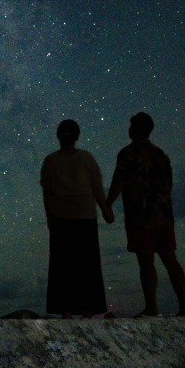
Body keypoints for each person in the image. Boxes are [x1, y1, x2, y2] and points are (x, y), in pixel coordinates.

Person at [106, 112, 185, 316]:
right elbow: (168, 186)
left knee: (146, 261)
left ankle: (152, 307)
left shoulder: (127, 153)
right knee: (170, 259)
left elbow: (119, 181)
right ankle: (184, 307)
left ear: (135, 129)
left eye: (131, 126)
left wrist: (107, 204)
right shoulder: (161, 155)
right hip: (163, 214)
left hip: (141, 215)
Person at [40, 119, 115, 318]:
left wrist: (49, 218)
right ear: (77, 136)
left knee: (62, 264)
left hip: (60, 216)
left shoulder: (50, 161)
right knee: (86, 263)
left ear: (58, 136)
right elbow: (97, 187)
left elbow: (47, 193)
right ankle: (88, 308)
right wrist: (106, 209)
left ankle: (65, 308)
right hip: (84, 216)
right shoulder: (86, 158)